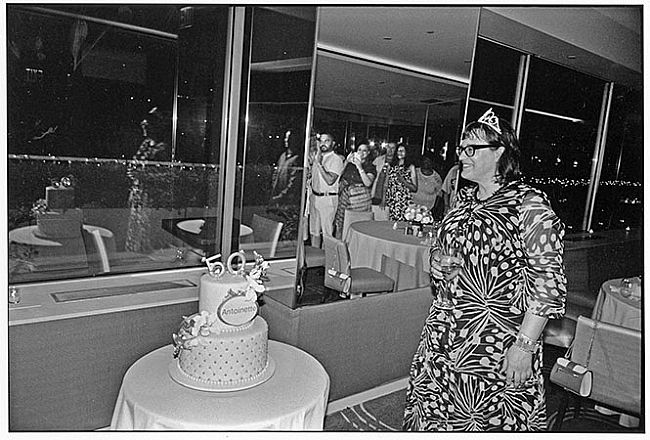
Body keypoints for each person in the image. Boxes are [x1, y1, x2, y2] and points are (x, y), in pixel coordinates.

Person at [403, 108, 567, 431]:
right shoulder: (463, 199)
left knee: (484, 421)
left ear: (500, 152)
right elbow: (443, 245)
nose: (461, 156)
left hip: (495, 343)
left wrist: (524, 346)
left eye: (471, 149)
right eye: (461, 148)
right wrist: (435, 259)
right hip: (444, 332)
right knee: (436, 415)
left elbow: (548, 282)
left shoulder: (528, 204)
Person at [125, 107, 169, 253]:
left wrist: (143, 176)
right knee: (136, 228)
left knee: (147, 230)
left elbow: (167, 176)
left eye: (149, 121)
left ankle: (146, 258)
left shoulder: (162, 149)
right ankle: (135, 255)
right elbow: (134, 167)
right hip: (139, 195)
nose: (143, 123)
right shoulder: (146, 144)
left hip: (151, 198)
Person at [308, 132, 344, 248]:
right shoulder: (317, 157)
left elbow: (330, 180)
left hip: (328, 199)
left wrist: (319, 164)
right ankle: (315, 256)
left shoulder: (336, 159)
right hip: (315, 198)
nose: (323, 144)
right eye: (321, 141)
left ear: (333, 143)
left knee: (327, 234)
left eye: (327, 141)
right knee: (314, 232)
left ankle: (327, 258)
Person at [333, 141, 376, 239]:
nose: (361, 153)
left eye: (364, 151)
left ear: (368, 152)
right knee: (340, 225)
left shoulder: (370, 167)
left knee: (357, 226)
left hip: (360, 201)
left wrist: (359, 167)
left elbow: (368, 183)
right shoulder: (350, 165)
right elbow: (338, 176)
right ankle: (339, 246)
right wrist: (346, 162)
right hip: (345, 198)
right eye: (359, 150)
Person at [384, 143, 417, 221]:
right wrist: (383, 199)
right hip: (391, 201)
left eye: (402, 151)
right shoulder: (391, 166)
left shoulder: (410, 167)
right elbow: (386, 184)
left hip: (403, 201)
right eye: (398, 151)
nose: (400, 153)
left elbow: (414, 188)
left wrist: (403, 181)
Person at [270, 129, 301, 207]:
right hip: (278, 198)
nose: (286, 140)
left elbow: (293, 182)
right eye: (286, 138)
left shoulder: (296, 159)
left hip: (288, 201)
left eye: (288, 138)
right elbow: (276, 173)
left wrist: (282, 195)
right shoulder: (282, 156)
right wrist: (274, 189)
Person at [371, 141, 396, 221]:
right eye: (388, 147)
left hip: (389, 198)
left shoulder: (397, 162)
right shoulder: (378, 160)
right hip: (376, 195)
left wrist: (384, 199)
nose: (390, 150)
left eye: (393, 148)